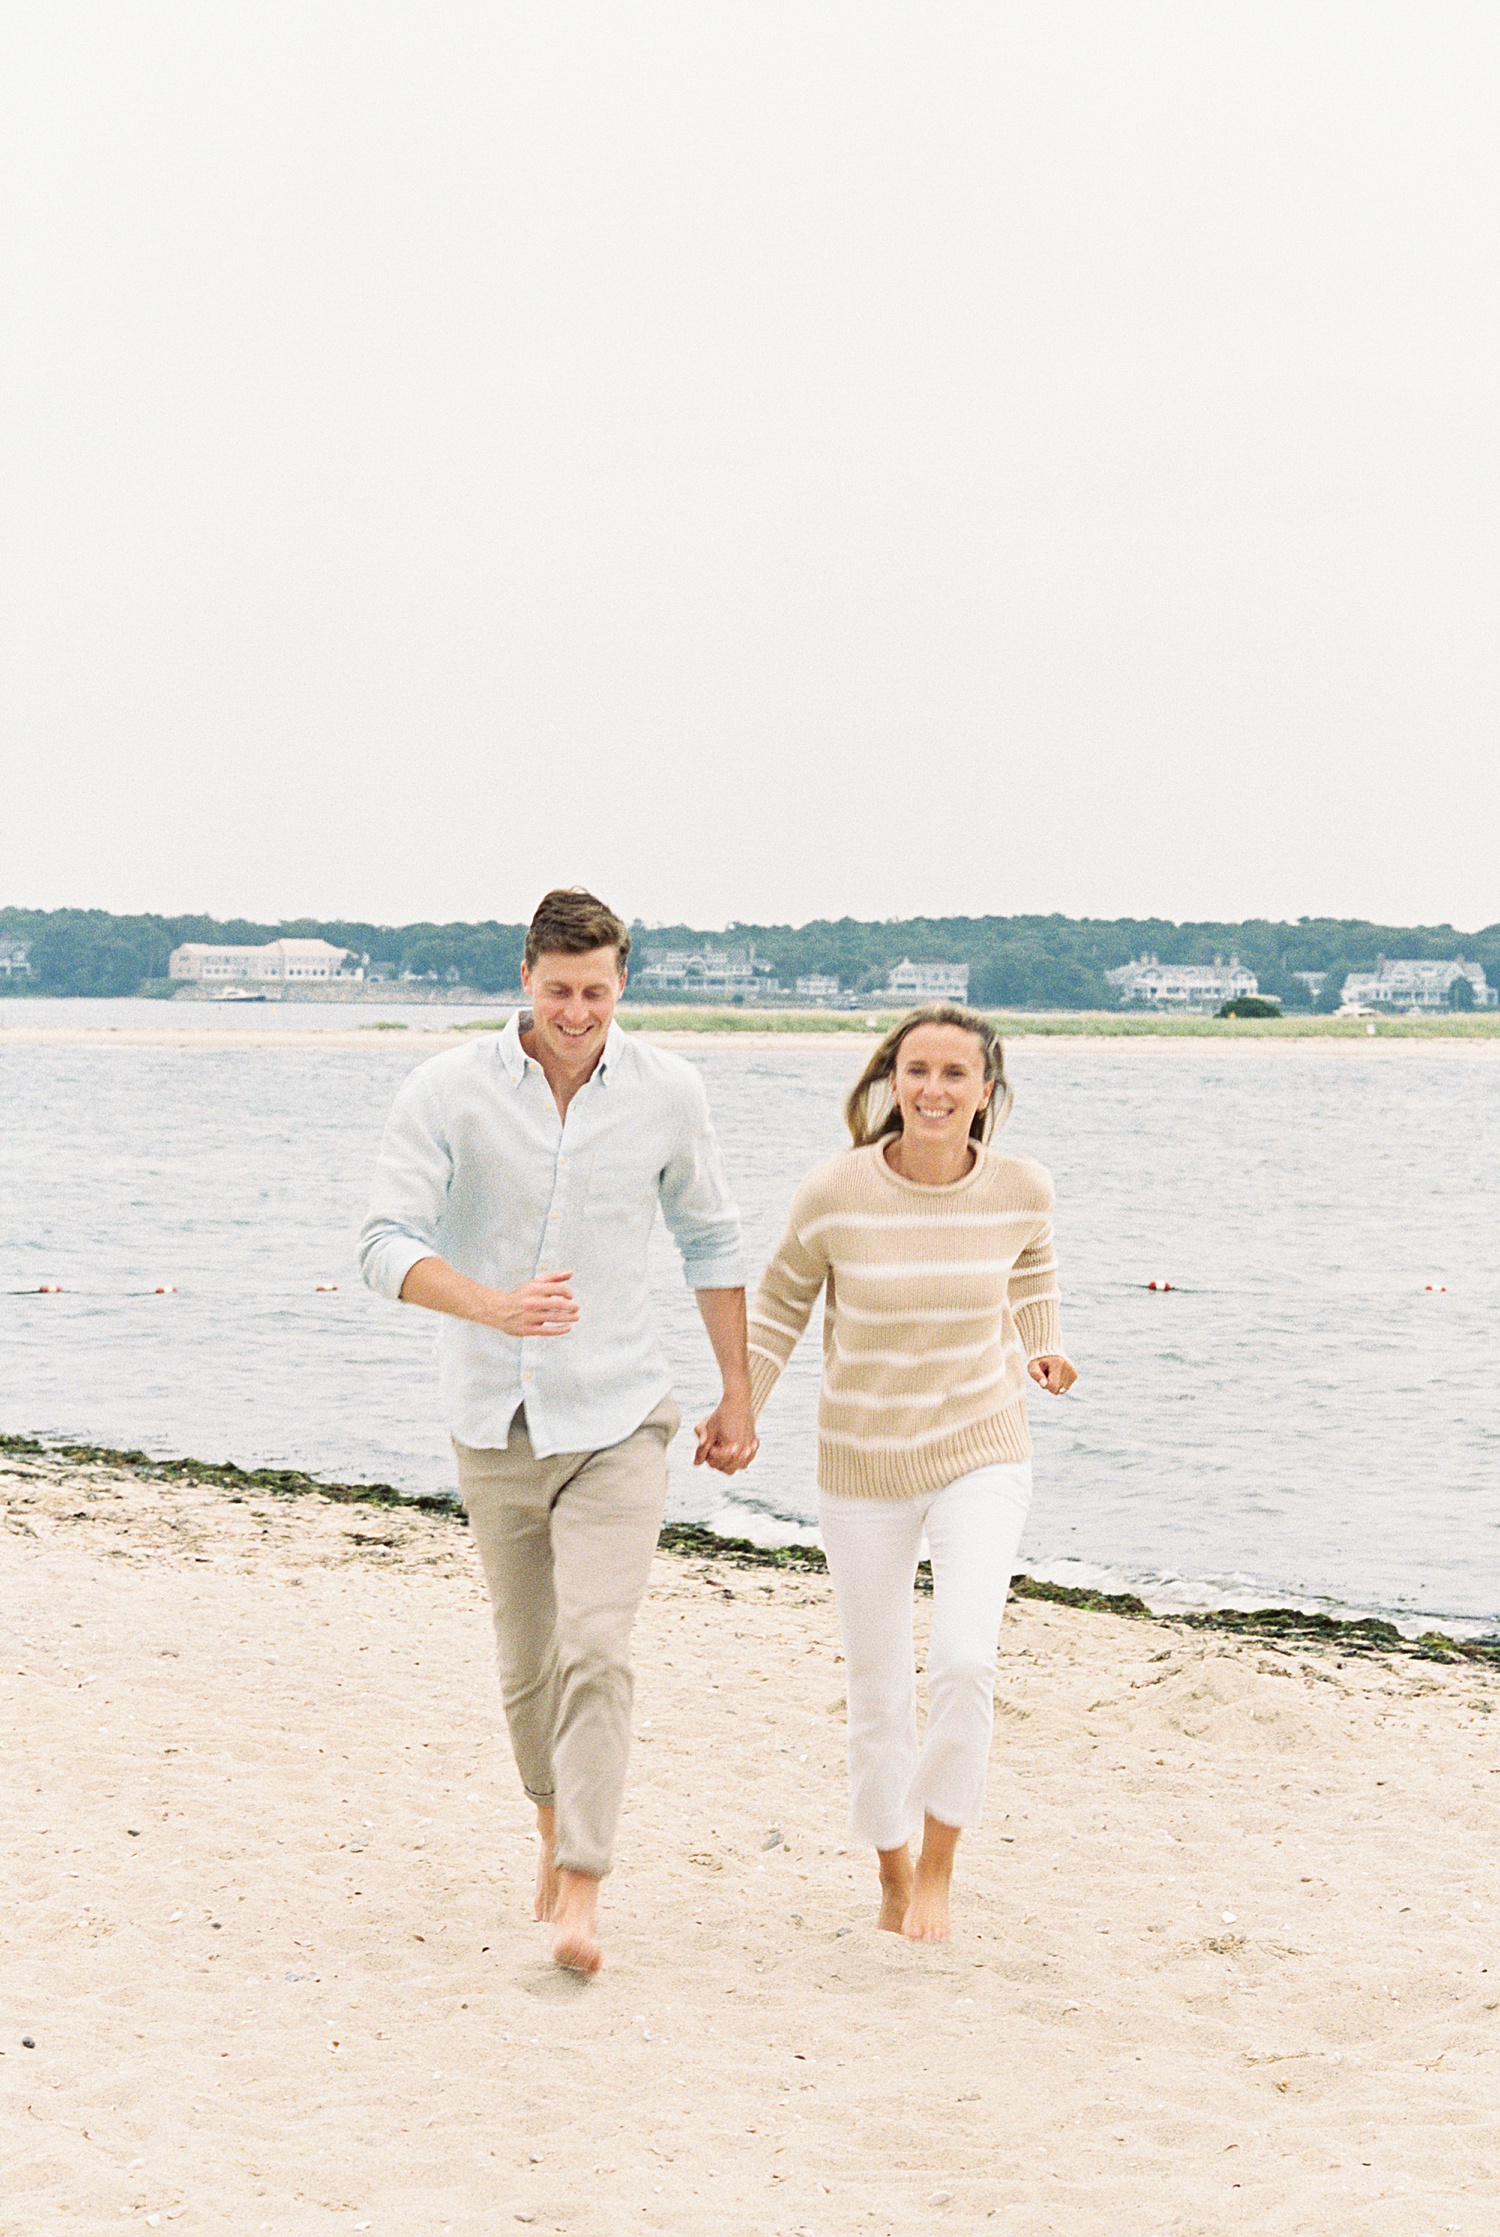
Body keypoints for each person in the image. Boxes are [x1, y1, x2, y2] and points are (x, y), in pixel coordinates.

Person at [358, 888, 757, 1974]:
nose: (577, 1012)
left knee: (598, 1644)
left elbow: (713, 1238)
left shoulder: (670, 1090)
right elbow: (381, 1242)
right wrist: (493, 1303)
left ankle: (583, 1882)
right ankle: (547, 1819)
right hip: (491, 1419)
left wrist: (740, 1394)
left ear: (622, 983)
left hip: (620, 1414)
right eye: (558, 991)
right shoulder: (446, 1089)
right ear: (523, 981)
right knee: (528, 1663)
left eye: (596, 991)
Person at [745, 1006, 1076, 1942]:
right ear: (891, 1079)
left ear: (986, 1090)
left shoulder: (1022, 1186)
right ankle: (889, 1867)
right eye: (917, 1070)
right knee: (879, 1688)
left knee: (966, 1659)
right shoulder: (835, 1190)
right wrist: (743, 1406)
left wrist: (1044, 1347)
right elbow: (778, 1302)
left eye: (954, 1075)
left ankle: (938, 1868)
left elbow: (1033, 1269)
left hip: (982, 1446)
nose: (934, 1090)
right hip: (862, 1465)